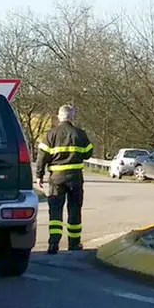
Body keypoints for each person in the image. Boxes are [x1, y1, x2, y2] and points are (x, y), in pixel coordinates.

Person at [35, 104, 94, 255]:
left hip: (56, 178)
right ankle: (74, 244)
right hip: (75, 177)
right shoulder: (80, 134)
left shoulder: (50, 135)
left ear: (59, 116)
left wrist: (39, 175)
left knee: (55, 211)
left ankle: (53, 244)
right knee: (74, 210)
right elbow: (88, 153)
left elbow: (42, 157)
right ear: (72, 117)